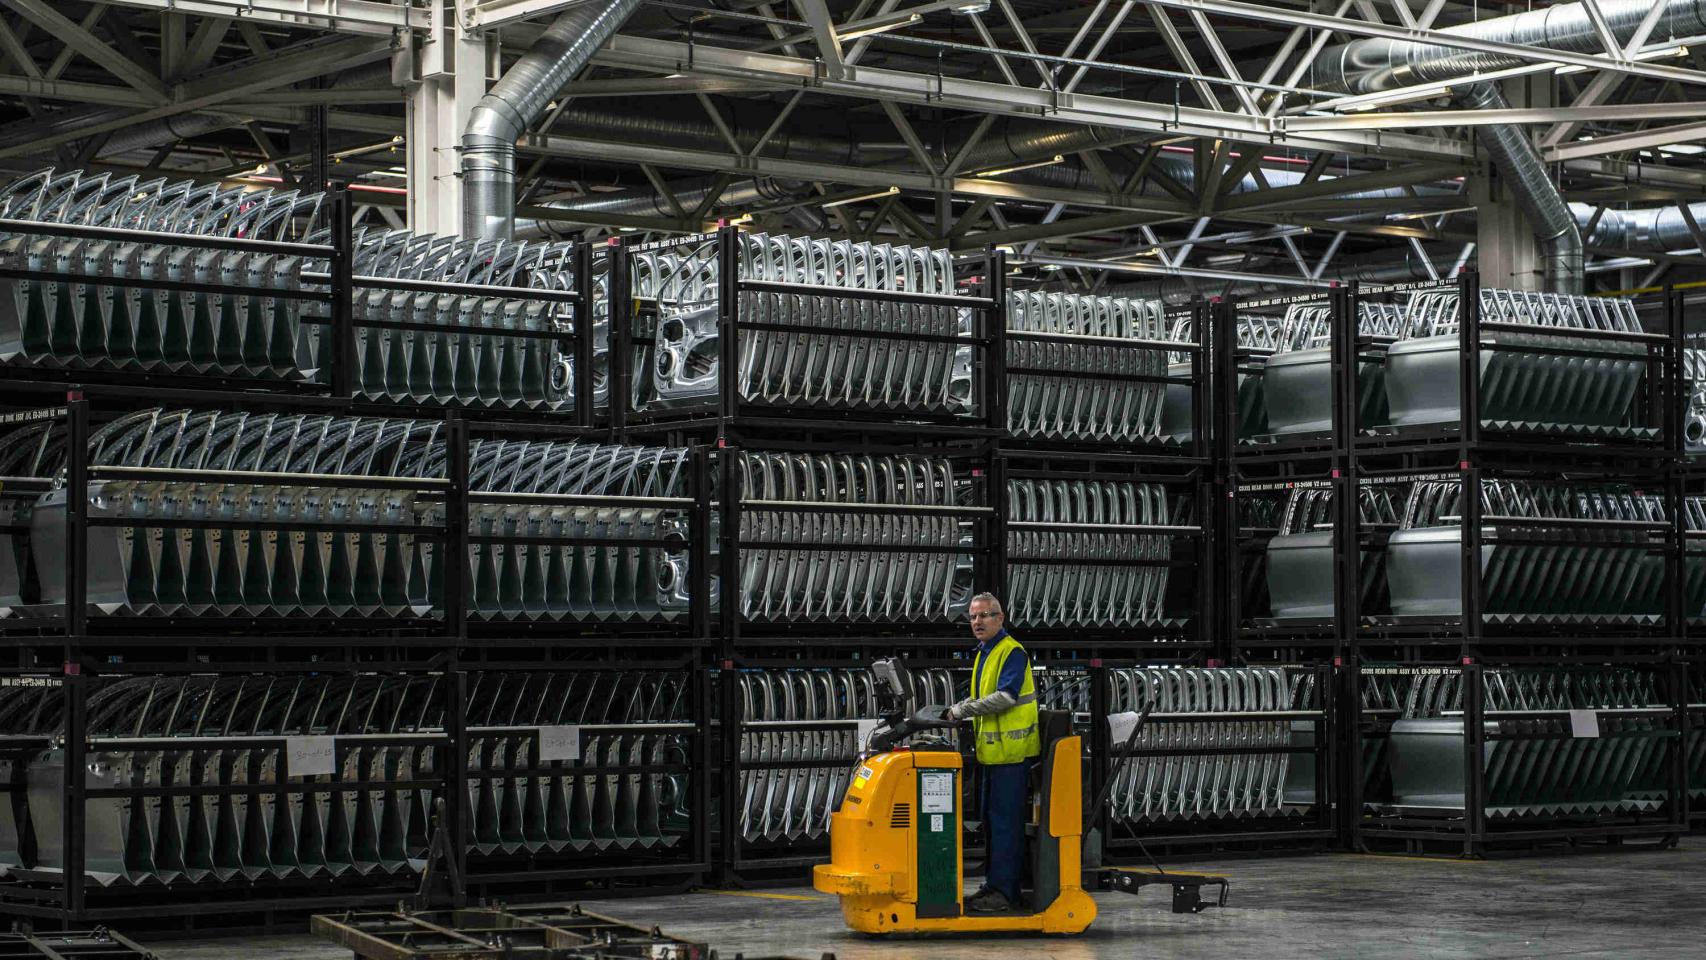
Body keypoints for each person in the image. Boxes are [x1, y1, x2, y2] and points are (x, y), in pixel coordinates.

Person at [945, 592, 1039, 913]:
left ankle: (1005, 892)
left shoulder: (1011, 652)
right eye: (972, 617)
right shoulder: (985, 653)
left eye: (985, 615)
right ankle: (994, 885)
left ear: (1001, 618)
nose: (977, 622)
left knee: (1005, 826)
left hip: (1011, 758)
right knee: (992, 824)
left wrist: (962, 710)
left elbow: (1007, 697)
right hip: (993, 757)